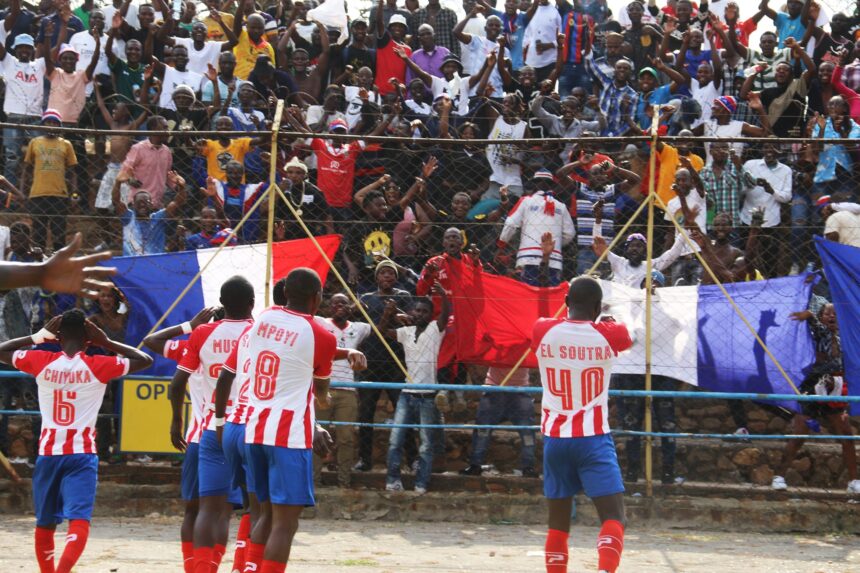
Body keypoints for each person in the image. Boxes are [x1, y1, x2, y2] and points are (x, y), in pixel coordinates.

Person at [0, 309, 152, 573]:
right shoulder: (98, 365)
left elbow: (2, 350)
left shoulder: (41, 360)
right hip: (81, 455)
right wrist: (106, 342)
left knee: (45, 523)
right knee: (79, 521)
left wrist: (38, 336)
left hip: (48, 454)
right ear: (88, 340)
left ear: (57, 337)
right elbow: (145, 359)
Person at [234, 268, 346, 573]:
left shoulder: (265, 318)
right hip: (289, 436)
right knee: (285, 524)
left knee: (264, 516)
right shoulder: (322, 334)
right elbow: (321, 393)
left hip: (255, 429)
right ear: (317, 298)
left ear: (285, 293)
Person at [532, 276, 632, 573]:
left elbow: (549, 321)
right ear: (598, 307)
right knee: (615, 517)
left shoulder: (543, 330)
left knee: (558, 525)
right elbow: (623, 336)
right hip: (592, 437)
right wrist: (606, 320)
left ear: (566, 303)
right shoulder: (609, 334)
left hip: (555, 438)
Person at [170, 276, 254, 573]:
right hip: (251, 427)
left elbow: (177, 382)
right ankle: (243, 566)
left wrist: (176, 421)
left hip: (211, 429)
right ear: (252, 304)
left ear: (222, 303)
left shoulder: (203, 333)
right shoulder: (258, 332)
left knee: (207, 509)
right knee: (254, 509)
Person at [142, 306, 219, 573]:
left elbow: (151, 340)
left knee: (194, 510)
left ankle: (194, 568)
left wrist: (189, 325)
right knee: (228, 511)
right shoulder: (247, 340)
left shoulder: (195, 344)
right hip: (237, 433)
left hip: (200, 435)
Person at [774, 303, 860, 494]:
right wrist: (810, 316)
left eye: (836, 314)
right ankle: (778, 476)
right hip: (813, 386)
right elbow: (817, 327)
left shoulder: (844, 338)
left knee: (846, 434)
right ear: (821, 317)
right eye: (827, 313)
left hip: (834, 388)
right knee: (800, 433)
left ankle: (854, 481)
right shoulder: (818, 335)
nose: (832, 316)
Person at [612, 270, 681, 485]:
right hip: (634, 374)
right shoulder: (632, 312)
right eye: (647, 285)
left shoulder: (671, 312)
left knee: (666, 424)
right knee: (634, 425)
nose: (651, 289)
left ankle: (667, 472)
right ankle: (633, 472)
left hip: (661, 374)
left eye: (656, 285)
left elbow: (679, 326)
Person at [380, 284, 450, 494]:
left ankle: (421, 483)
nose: (419, 314)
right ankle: (393, 480)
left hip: (428, 396)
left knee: (426, 444)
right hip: (407, 394)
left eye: (424, 311)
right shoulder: (406, 332)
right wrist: (388, 313)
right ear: (411, 312)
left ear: (430, 315)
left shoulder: (435, 330)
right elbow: (382, 331)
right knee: (395, 440)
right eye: (416, 310)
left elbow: (446, 314)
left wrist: (444, 296)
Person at [313, 293, 371, 487]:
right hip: (323, 386)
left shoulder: (359, 328)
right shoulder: (320, 322)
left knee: (346, 438)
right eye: (335, 303)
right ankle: (314, 481)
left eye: (344, 303)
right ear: (328, 307)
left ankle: (343, 481)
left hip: (347, 389)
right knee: (317, 437)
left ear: (350, 308)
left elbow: (377, 329)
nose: (339, 306)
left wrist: (361, 308)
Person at [496, 172, 575, 286]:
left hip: (528, 257)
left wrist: (501, 245)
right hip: (554, 259)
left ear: (534, 184)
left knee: (529, 294)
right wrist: (554, 244)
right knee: (550, 294)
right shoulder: (561, 206)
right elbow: (569, 233)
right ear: (551, 186)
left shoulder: (526, 201)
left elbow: (511, 224)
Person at [460, 365, 537, 477]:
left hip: (519, 389)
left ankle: (528, 467)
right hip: (495, 388)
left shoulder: (525, 349)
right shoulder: (497, 348)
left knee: (527, 432)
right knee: (483, 430)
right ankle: (475, 464)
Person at [21, 110, 77, 253]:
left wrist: (74, 194)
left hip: (59, 194)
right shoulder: (34, 142)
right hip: (37, 194)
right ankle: (39, 265)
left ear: (59, 126)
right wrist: (22, 191)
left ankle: (57, 264)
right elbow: (26, 169)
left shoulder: (66, 144)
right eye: (48, 122)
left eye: (54, 123)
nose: (51, 126)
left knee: (59, 233)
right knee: (39, 233)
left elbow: (72, 172)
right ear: (43, 125)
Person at [113, 171, 187, 256]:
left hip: (155, 262)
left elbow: (177, 203)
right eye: (139, 202)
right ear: (133, 204)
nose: (142, 205)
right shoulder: (129, 217)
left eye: (146, 202)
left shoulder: (158, 218)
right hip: (132, 262)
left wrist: (182, 187)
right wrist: (117, 183)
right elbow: (116, 201)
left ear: (152, 205)